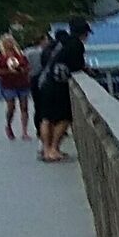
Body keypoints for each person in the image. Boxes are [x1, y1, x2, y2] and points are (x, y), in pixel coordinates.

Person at [35, 20, 88, 162]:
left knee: (46, 118)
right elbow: (78, 66)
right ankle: (53, 148)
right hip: (59, 85)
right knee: (64, 118)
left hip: (45, 82)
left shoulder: (57, 44)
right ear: (83, 33)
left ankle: (46, 150)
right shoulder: (76, 45)